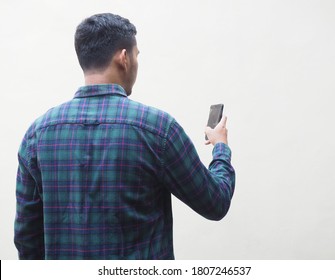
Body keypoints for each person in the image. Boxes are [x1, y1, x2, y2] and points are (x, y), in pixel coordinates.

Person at [14, 13, 235, 260]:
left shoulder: (37, 134)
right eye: (137, 55)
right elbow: (215, 202)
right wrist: (220, 147)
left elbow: (27, 238)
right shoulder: (158, 129)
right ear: (124, 58)